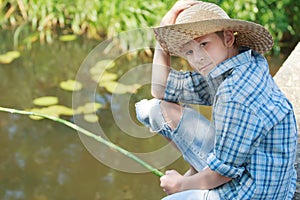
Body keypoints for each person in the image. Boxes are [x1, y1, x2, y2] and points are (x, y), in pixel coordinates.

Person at [135, 1, 298, 199]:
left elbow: (223, 173)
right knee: (152, 109)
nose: (198, 59)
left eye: (204, 44)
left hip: (250, 192)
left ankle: (194, 178)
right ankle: (196, 171)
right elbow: (160, 90)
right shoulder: (239, 62)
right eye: (189, 51)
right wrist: (161, 42)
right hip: (249, 166)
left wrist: (180, 185)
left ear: (228, 38)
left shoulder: (234, 94)